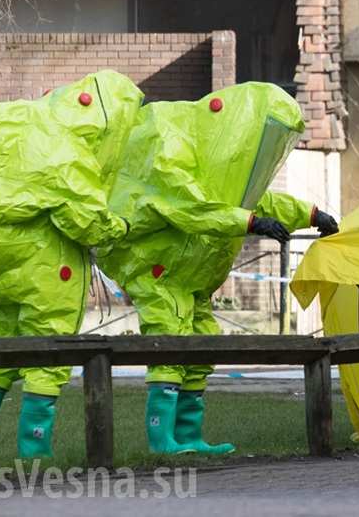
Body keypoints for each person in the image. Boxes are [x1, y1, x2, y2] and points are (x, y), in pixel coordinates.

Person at [97, 82, 338, 455]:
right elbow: (189, 206)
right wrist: (249, 222)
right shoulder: (170, 144)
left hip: (194, 275)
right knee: (170, 343)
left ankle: (188, 436)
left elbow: (252, 198)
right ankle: (162, 439)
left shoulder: (223, 164)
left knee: (201, 345)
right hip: (159, 269)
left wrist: (310, 214)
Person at [0, 70, 144, 461]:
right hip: (40, 262)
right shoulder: (66, 147)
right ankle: (34, 451)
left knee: (6, 347)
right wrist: (123, 226)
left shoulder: (22, 124)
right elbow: (85, 220)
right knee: (49, 348)